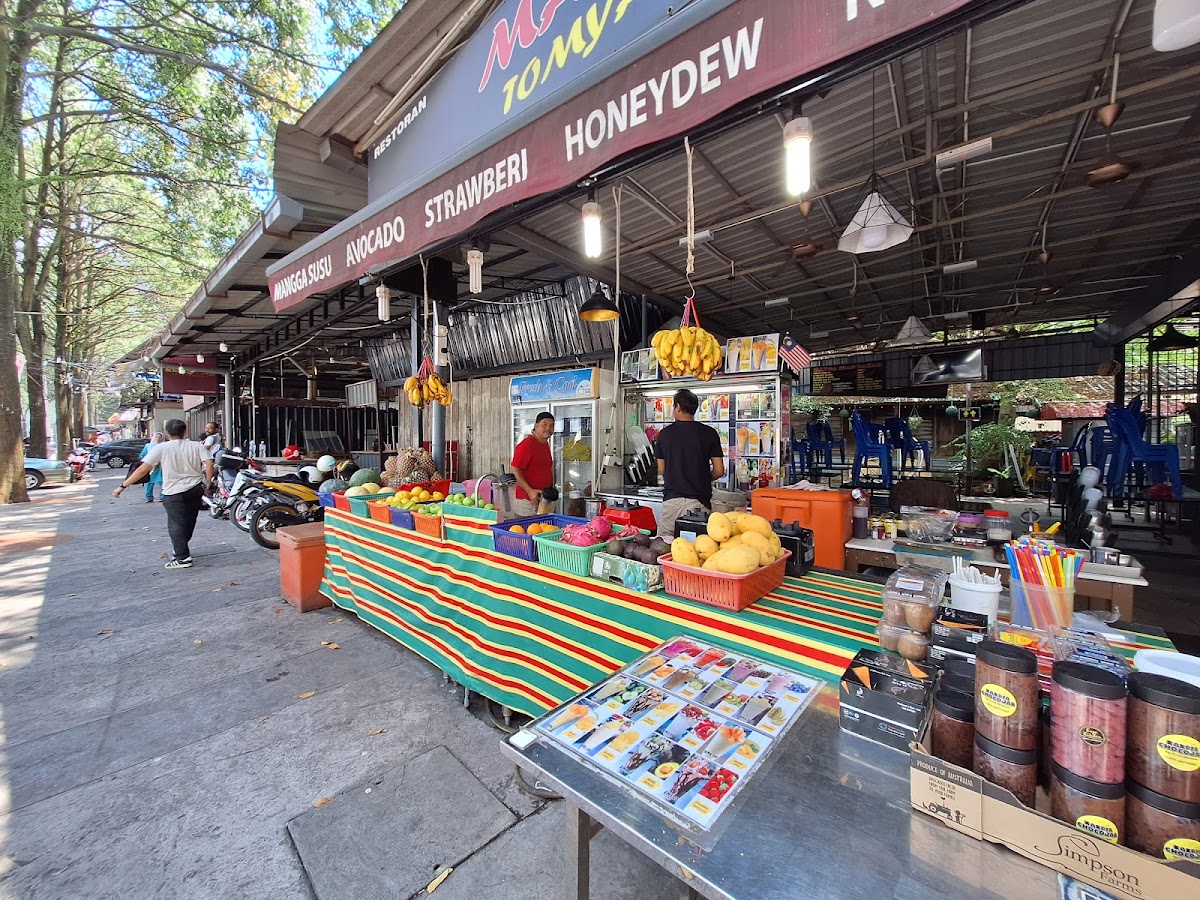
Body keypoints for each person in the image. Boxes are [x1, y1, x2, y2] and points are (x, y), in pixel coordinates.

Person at [114, 419, 213, 569]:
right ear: (185, 431)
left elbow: (142, 469)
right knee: (189, 521)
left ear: (167, 432)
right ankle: (181, 549)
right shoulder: (196, 445)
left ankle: (182, 557)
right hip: (195, 488)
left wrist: (122, 486)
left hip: (173, 492)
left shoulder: (161, 448)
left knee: (176, 524)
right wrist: (208, 481)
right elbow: (209, 463)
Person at [654, 389, 725, 537]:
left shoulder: (664, 434)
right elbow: (719, 470)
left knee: (663, 549)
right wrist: (702, 477)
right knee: (699, 550)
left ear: (678, 407)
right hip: (699, 504)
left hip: (671, 503)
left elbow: (661, 469)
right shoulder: (709, 433)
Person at [510, 411, 555, 517]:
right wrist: (530, 491)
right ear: (536, 426)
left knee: (543, 530)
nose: (548, 428)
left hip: (543, 499)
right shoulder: (527, 444)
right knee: (528, 531)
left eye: (551, 425)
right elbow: (515, 468)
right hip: (527, 500)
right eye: (544, 424)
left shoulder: (544, 444)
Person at [139, 432, 164, 502]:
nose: (158, 439)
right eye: (156, 437)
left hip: (161, 467)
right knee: (149, 482)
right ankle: (149, 497)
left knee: (163, 482)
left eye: (160, 437)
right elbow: (142, 455)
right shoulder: (148, 446)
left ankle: (162, 497)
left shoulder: (164, 446)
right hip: (150, 467)